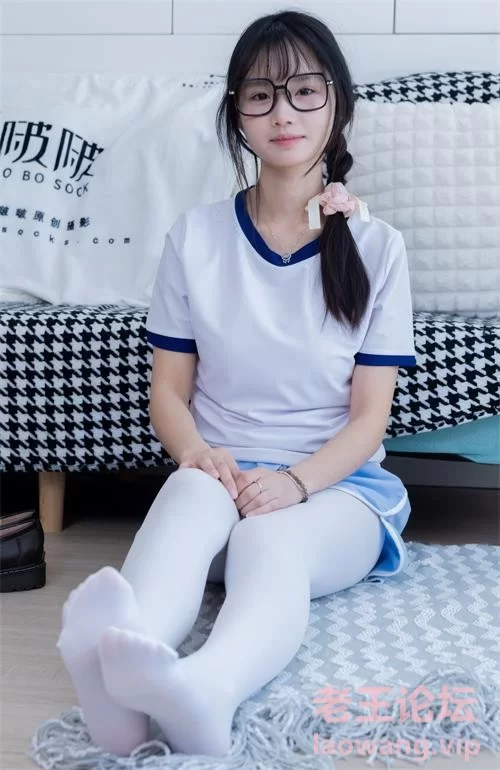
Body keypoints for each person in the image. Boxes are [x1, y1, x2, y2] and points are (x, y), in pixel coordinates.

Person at [56, 9, 418, 760]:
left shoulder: (379, 247)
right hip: (222, 473)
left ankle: (209, 687)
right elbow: (168, 392)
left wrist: (294, 482)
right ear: (236, 116)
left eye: (304, 91)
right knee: (189, 496)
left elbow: (369, 421)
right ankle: (120, 666)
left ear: (338, 102)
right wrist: (197, 454)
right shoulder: (195, 236)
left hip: (337, 493)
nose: (284, 112)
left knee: (266, 540)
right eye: (261, 95)